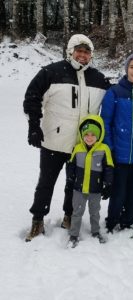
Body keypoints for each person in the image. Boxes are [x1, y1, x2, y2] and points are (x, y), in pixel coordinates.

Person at [23, 34, 110, 242]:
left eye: (86, 52)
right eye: (79, 51)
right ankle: (37, 219)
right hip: (54, 141)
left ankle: (69, 216)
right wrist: (34, 126)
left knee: (75, 185)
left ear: (91, 55)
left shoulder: (98, 79)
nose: (82, 55)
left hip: (81, 145)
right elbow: (32, 97)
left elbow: (120, 97)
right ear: (70, 51)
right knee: (46, 182)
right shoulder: (51, 72)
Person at [100, 53, 133, 233]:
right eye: (132, 67)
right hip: (118, 152)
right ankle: (112, 221)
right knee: (118, 190)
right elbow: (105, 122)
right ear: (126, 69)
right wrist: (110, 148)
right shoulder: (114, 92)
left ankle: (127, 223)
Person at [66, 115, 114, 247]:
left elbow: (109, 168)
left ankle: (95, 231)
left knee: (94, 212)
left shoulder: (104, 149)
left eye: (93, 134)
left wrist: (107, 184)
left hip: (95, 189)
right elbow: (71, 165)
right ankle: (74, 234)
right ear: (82, 135)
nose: (89, 137)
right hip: (79, 188)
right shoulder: (77, 148)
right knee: (77, 212)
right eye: (86, 134)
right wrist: (70, 178)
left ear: (99, 135)